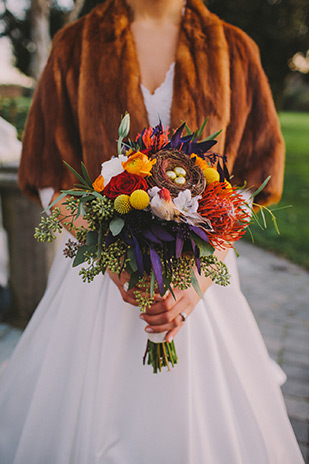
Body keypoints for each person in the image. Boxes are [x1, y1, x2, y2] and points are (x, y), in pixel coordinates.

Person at [0, 0, 304, 462]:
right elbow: (49, 175)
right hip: (97, 290)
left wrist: (196, 282)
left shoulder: (235, 50)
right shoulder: (73, 46)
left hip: (201, 283)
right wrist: (113, 261)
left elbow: (249, 183)